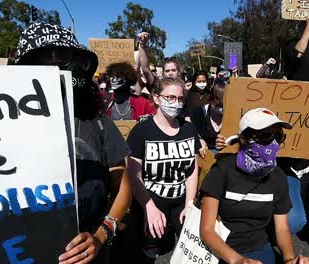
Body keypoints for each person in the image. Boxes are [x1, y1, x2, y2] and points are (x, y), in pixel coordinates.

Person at [15, 23, 132, 264]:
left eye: (70, 58)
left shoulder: (99, 123)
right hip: (18, 249)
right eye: (47, 58)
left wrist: (101, 236)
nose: (60, 66)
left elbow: (123, 187)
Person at [200, 108, 309, 264]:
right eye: (266, 136)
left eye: (278, 136)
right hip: (220, 249)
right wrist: (238, 260)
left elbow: (282, 228)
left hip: (259, 248)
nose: (273, 143)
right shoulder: (222, 171)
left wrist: (289, 259)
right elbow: (207, 230)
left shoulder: (278, 176)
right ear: (243, 139)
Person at [126, 77, 201, 261]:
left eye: (180, 98)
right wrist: (148, 206)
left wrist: (189, 204)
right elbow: (133, 175)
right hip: (152, 198)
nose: (176, 103)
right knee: (154, 244)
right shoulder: (141, 131)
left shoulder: (189, 130)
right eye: (170, 98)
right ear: (157, 99)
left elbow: (192, 168)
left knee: (186, 247)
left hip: (180, 199)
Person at [190, 81, 226, 154]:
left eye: (222, 106)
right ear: (211, 99)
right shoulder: (200, 112)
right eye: (217, 105)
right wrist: (200, 140)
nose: (220, 109)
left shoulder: (233, 114)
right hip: (206, 154)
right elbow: (193, 133)